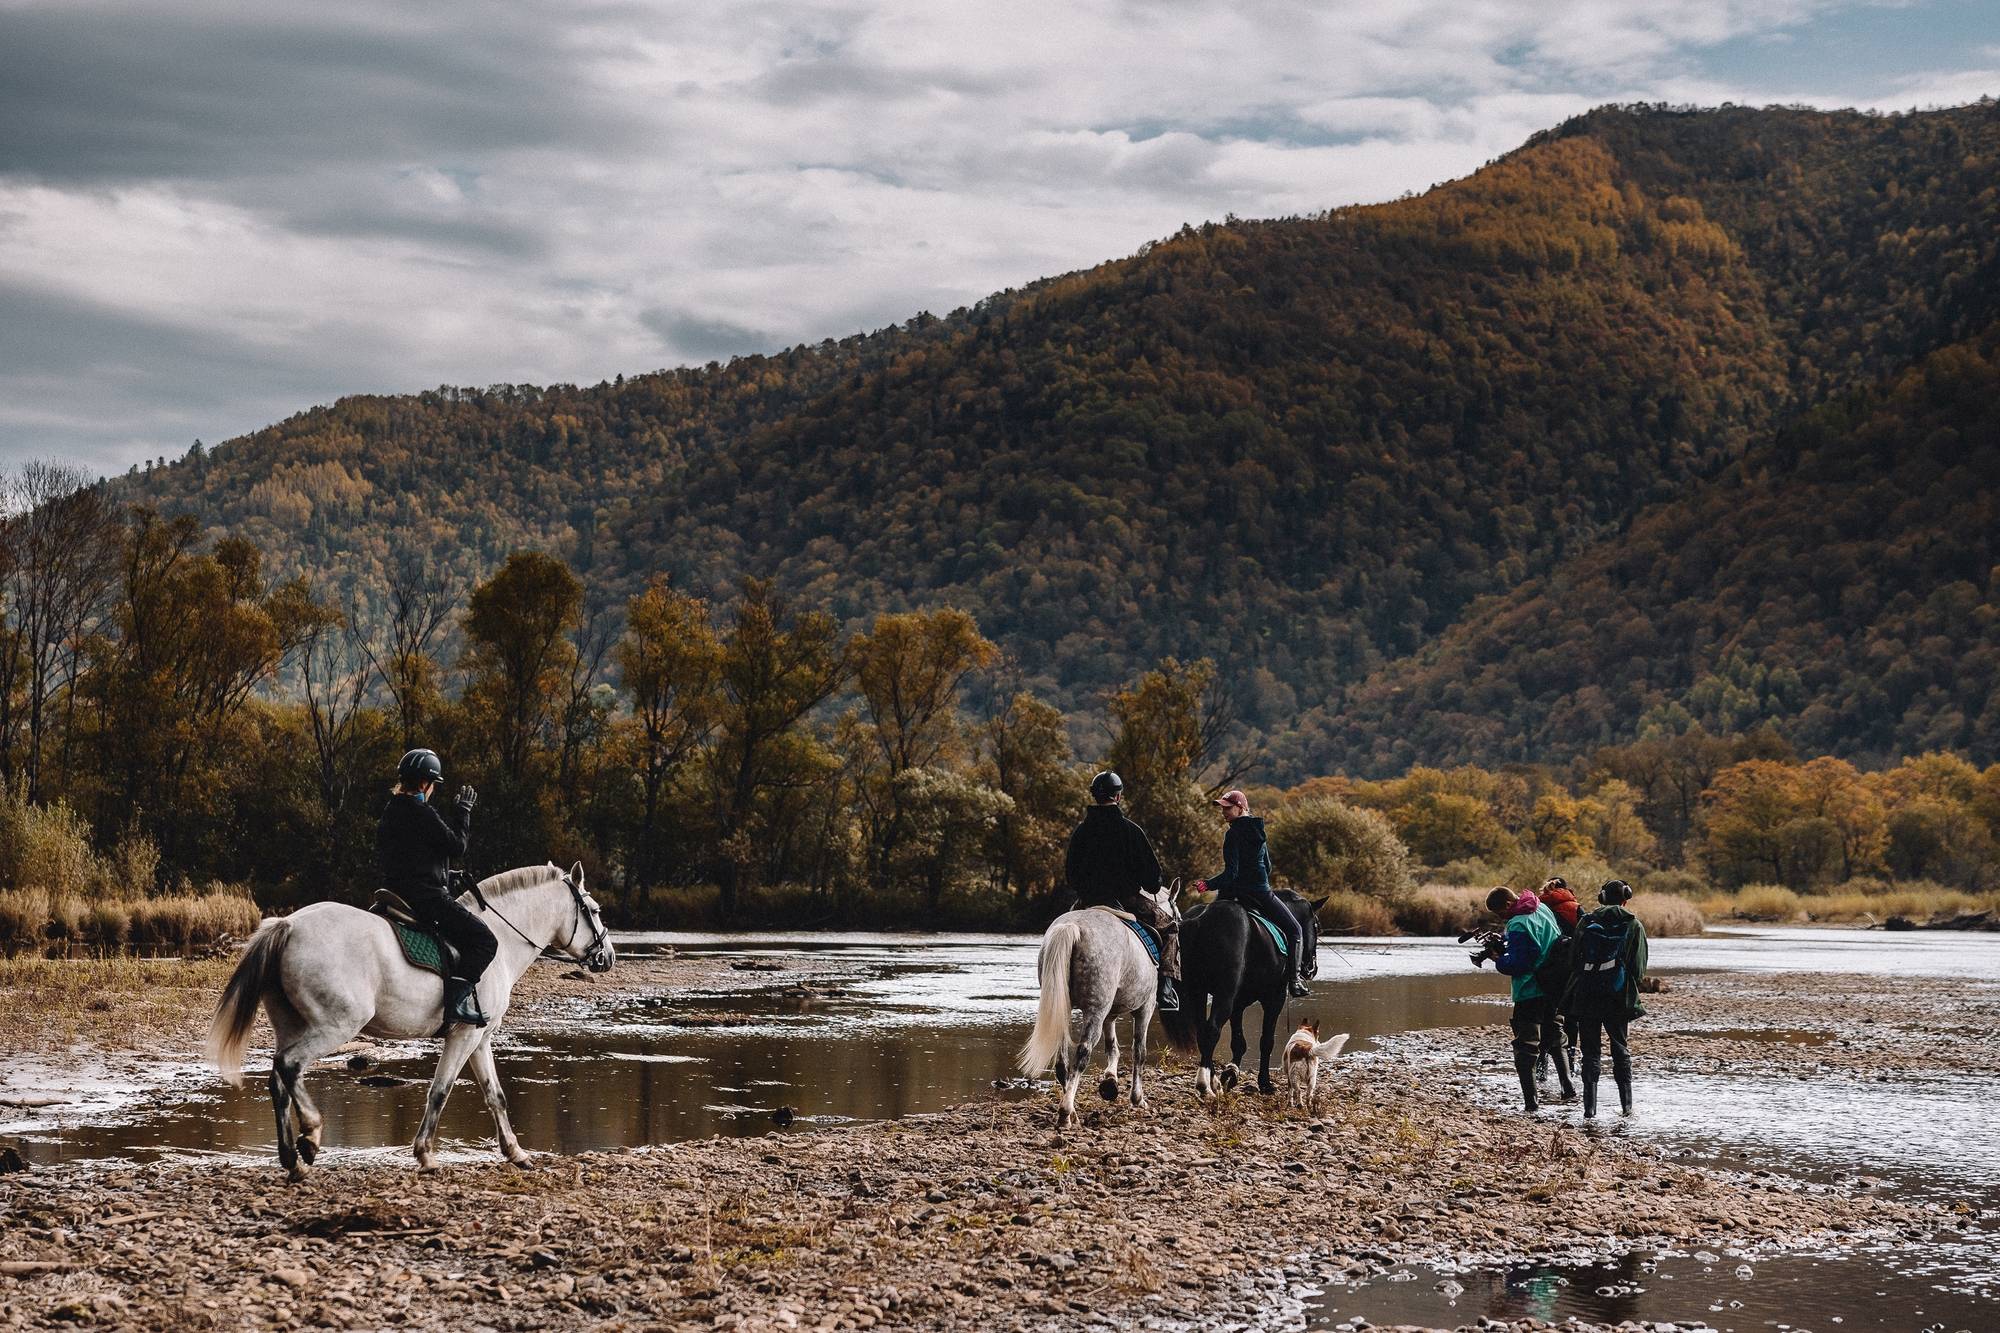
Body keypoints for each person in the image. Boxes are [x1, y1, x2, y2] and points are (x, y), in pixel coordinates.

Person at [377, 748, 492, 1028]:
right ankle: (456, 1003)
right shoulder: (422, 812)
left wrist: (443, 874)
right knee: (484, 940)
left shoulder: (391, 810)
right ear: (424, 783)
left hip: (397, 891)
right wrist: (463, 813)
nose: (433, 790)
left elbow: (410, 856)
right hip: (426, 898)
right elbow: (457, 846)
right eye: (433, 784)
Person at [1065, 771, 1181, 1011]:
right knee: (1170, 928)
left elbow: (1071, 876)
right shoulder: (1132, 831)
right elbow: (1152, 882)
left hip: (1087, 901)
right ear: (1118, 797)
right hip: (1126, 901)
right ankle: (1166, 991)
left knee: (1062, 929)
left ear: (1094, 796)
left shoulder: (1081, 832)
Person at [1194, 790, 1307, 998]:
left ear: (1241, 808)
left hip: (1234, 893)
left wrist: (1207, 884)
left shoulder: (1232, 834)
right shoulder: (1259, 831)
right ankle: (1295, 981)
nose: (1223, 812)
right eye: (1222, 808)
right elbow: (1268, 867)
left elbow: (1231, 873)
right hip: (1260, 893)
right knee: (1295, 930)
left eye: (1227, 808)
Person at [1571, 879, 1649, 1119]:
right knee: (1620, 1048)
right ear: (1626, 898)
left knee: (1589, 1051)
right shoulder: (1633, 924)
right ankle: (1627, 1109)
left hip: (1586, 994)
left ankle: (1589, 1111)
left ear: (1602, 898)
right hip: (1618, 996)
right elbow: (1638, 970)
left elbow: (1573, 960)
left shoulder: (1586, 921)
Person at [1483, 885, 1564, 1112]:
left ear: (1508, 904)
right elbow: (1544, 943)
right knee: (1555, 1035)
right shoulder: (1542, 908)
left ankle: (1531, 1103)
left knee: (1525, 1046)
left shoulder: (1518, 922)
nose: (1502, 918)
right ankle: (1568, 1088)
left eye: (1501, 913)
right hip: (1554, 985)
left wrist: (1498, 960)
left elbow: (1520, 964)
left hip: (1530, 989)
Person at [1536, 877, 1582, 1090]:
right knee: (1571, 1019)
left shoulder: (1540, 908)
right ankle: (1570, 1064)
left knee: (1547, 1018)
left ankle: (1541, 1066)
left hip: (1548, 970)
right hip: (1572, 970)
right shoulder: (1576, 908)